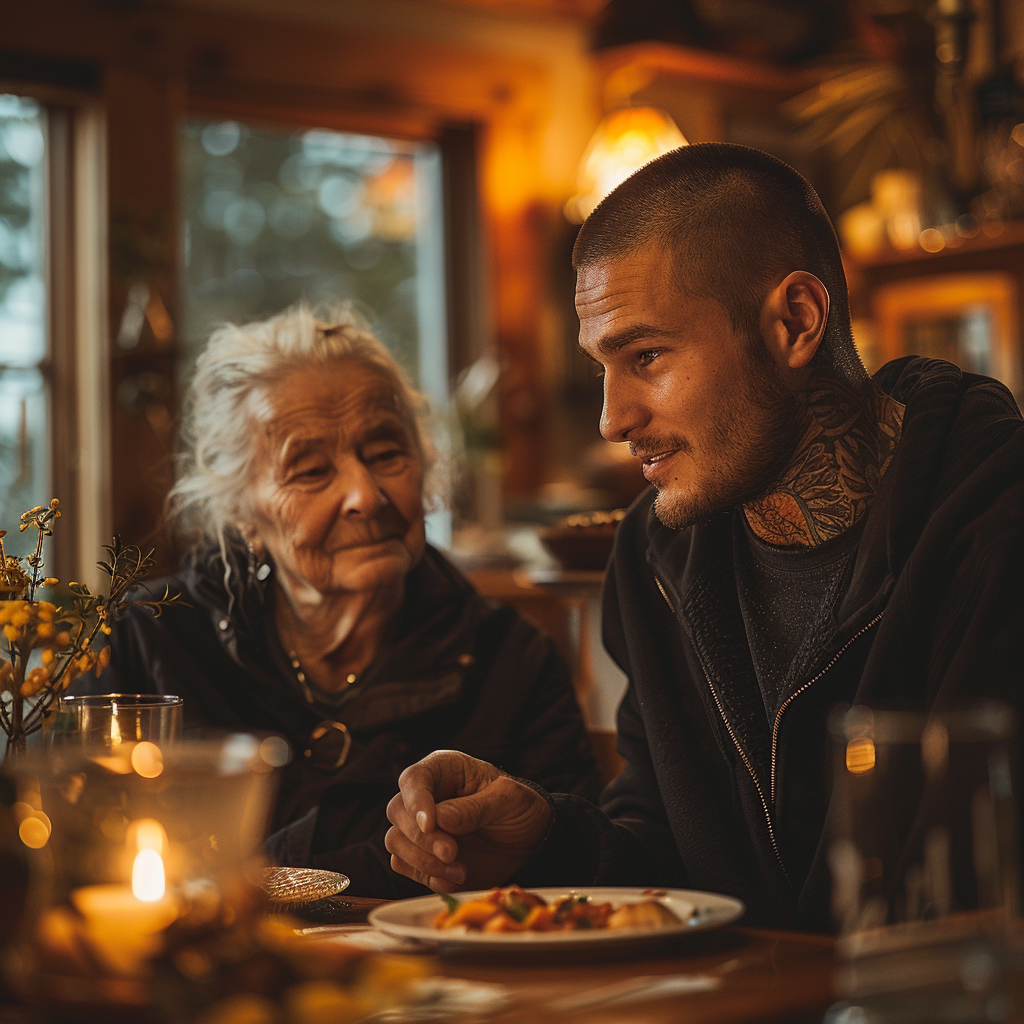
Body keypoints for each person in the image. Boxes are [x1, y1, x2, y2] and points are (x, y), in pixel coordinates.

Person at [384, 143, 1024, 930]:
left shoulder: (996, 531)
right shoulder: (652, 561)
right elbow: (667, 857)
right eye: (602, 369)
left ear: (795, 322)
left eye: (647, 355)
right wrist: (541, 840)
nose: (613, 419)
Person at [79, 305, 600, 898]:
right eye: (310, 471)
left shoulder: (510, 659)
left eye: (385, 454)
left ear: (424, 466)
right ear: (242, 513)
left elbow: (579, 877)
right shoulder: (147, 641)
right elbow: (81, 857)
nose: (365, 495)